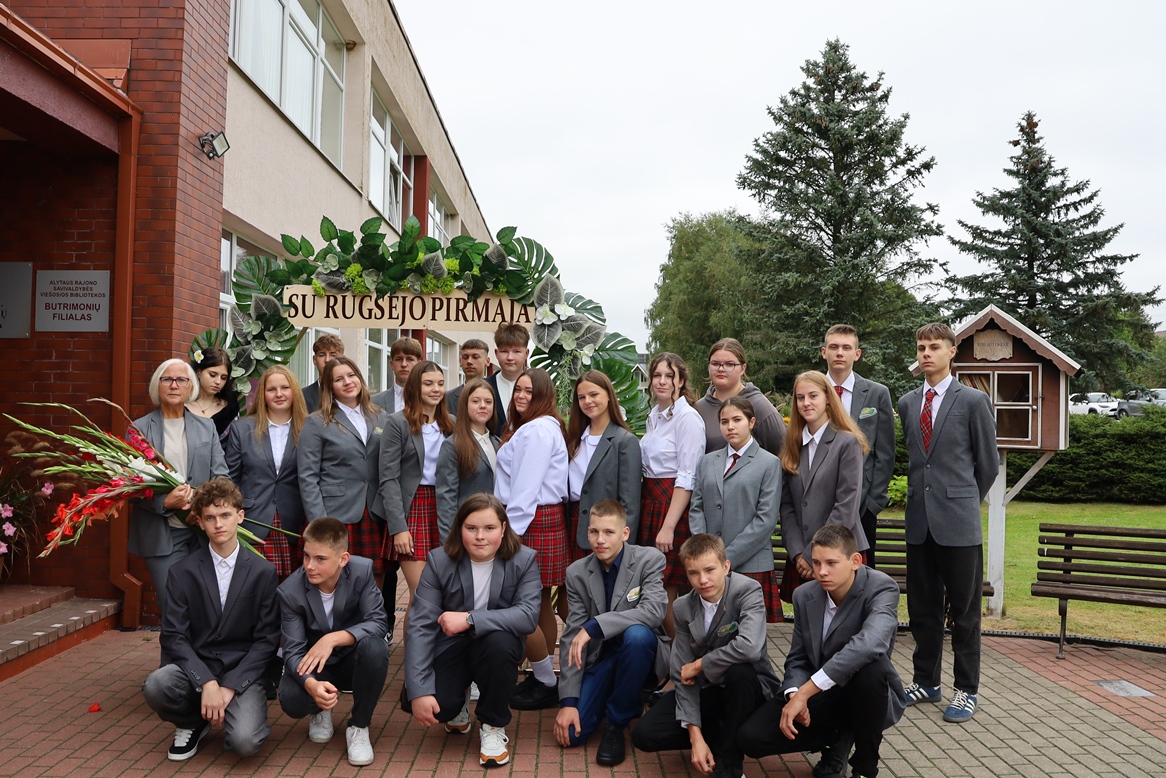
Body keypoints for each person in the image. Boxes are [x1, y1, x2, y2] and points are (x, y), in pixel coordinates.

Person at [738, 525, 907, 778]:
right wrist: (794, 694)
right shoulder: (804, 595)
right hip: (823, 695)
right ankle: (834, 739)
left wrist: (806, 690)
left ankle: (865, 767)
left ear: (855, 561)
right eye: (816, 563)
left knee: (871, 670)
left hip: (866, 694)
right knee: (751, 738)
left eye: (831, 563)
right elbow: (798, 658)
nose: (822, 571)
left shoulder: (881, 588)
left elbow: (870, 643)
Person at [897, 322, 999, 724]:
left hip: (958, 524)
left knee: (965, 613)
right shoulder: (908, 403)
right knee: (922, 610)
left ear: (952, 352)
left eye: (934, 347)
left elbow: (987, 465)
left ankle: (966, 689)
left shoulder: (973, 401)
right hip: (919, 524)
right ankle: (926, 681)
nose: (926, 353)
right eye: (921, 347)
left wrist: (961, 498)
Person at [141, 477, 280, 761]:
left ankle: (237, 712)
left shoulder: (263, 571)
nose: (219, 524)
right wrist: (206, 682)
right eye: (210, 518)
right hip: (199, 666)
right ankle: (193, 721)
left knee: (244, 743)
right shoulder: (182, 572)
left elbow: (267, 640)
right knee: (156, 685)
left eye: (225, 515)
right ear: (200, 522)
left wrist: (229, 686)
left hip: (242, 671)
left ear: (240, 516)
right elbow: (174, 636)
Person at [405, 493, 541, 768]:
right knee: (437, 706)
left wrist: (470, 618)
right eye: (471, 528)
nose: (480, 536)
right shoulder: (439, 561)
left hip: (495, 645)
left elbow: (528, 616)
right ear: (460, 529)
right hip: (452, 644)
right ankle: (460, 697)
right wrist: (418, 690)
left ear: (503, 528)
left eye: (489, 528)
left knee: (499, 643)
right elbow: (419, 625)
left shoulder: (524, 560)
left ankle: (492, 724)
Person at [630, 534, 778, 778]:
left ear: (726, 566)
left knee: (739, 672)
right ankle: (721, 733)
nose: (703, 580)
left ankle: (730, 764)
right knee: (645, 735)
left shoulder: (747, 590)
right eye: (694, 573)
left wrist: (700, 664)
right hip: (708, 689)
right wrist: (695, 734)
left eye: (710, 570)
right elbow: (681, 672)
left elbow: (750, 647)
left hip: (749, 690)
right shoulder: (682, 607)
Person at [555, 500, 668, 766]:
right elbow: (573, 637)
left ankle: (616, 724)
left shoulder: (649, 560)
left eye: (608, 532)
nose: (600, 540)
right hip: (601, 658)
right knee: (571, 734)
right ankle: (621, 693)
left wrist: (595, 626)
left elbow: (653, 611)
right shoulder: (577, 573)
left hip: (641, 653)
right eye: (594, 531)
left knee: (637, 636)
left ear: (625, 533)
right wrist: (568, 702)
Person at [278, 517, 390, 767]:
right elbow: (293, 651)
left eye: (320, 559)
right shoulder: (290, 592)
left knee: (376, 647)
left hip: (351, 660)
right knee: (291, 699)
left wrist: (333, 639)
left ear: (343, 559)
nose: (309, 566)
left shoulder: (361, 571)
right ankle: (319, 709)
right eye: (306, 556)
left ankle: (359, 726)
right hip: (316, 666)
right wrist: (310, 685)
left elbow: (379, 622)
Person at [130, 358, 228, 620]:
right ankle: (174, 649)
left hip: (202, 531)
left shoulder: (206, 427)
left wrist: (203, 506)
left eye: (181, 380)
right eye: (167, 379)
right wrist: (163, 503)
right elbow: (129, 486)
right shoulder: (140, 429)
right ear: (157, 385)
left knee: (205, 606)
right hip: (163, 534)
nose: (174, 385)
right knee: (173, 607)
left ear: (190, 387)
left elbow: (221, 476)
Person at [494, 367, 569, 711]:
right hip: (535, 519)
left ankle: (546, 681)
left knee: (522, 604)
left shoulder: (538, 430)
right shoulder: (535, 426)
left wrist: (509, 536)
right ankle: (543, 679)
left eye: (530, 392)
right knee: (537, 603)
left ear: (544, 397)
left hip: (529, 520)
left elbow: (525, 488)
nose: (522, 396)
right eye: (518, 390)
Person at [689, 396, 784, 623]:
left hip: (751, 563)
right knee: (714, 630)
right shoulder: (707, 461)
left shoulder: (769, 463)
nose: (730, 426)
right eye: (724, 422)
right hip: (710, 565)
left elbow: (766, 519)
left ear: (751, 422)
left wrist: (726, 557)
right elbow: (696, 507)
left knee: (750, 632)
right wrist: (707, 552)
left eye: (737, 420)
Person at [779, 371, 869, 604]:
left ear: (828, 398)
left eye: (813, 396)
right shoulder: (793, 445)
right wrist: (798, 553)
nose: (806, 403)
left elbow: (846, 505)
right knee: (807, 620)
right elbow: (787, 507)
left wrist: (814, 554)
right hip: (801, 557)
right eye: (800, 398)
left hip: (838, 552)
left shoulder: (846, 442)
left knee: (843, 618)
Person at [379, 360, 455, 636]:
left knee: (441, 591)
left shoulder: (451, 424)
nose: (436, 389)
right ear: (414, 387)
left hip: (445, 508)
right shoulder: (397, 423)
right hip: (413, 510)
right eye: (428, 383)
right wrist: (398, 527)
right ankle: (415, 662)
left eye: (440, 384)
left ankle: (433, 655)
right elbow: (388, 478)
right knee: (422, 593)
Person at [297, 357, 390, 579]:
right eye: (338, 379)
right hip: (336, 513)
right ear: (329, 387)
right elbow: (308, 477)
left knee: (374, 576)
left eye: (351, 375)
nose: (347, 382)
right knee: (335, 577)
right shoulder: (316, 422)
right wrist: (319, 523)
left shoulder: (380, 416)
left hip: (374, 512)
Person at [638, 352, 706, 637]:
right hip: (650, 502)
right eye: (657, 375)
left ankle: (681, 657)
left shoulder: (687, 418)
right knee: (654, 587)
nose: (662, 381)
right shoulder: (654, 415)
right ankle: (666, 655)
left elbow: (688, 477)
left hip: (672, 507)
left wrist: (667, 527)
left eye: (669, 376)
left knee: (667, 588)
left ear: (680, 381)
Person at [821, 324, 895, 569]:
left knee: (861, 571)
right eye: (834, 347)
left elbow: (885, 453)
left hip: (862, 505)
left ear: (857, 354)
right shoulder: (811, 391)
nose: (839, 353)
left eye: (846, 347)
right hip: (819, 500)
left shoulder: (877, 394)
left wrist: (873, 503)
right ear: (824, 352)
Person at [224, 365, 308, 580]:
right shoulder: (242, 429)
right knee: (256, 586)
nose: (279, 394)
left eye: (285, 388)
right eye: (271, 389)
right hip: (253, 521)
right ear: (262, 394)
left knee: (294, 588)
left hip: (296, 521)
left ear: (294, 391)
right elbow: (230, 480)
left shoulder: (309, 428)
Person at [565, 370, 642, 560]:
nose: (587, 401)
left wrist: (623, 549)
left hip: (607, 533)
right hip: (574, 526)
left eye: (594, 394)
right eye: (581, 397)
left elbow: (630, 504)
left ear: (608, 395)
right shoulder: (574, 439)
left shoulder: (624, 441)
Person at [695, 337, 786, 456]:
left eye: (729, 364)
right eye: (715, 364)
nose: (721, 369)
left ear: (743, 368)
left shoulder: (760, 407)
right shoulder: (698, 409)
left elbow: (783, 454)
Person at [436, 377, 500, 540]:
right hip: (467, 531)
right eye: (476, 401)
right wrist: (449, 542)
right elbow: (446, 499)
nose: (483, 406)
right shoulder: (453, 445)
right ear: (465, 405)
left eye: (488, 401)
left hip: (494, 531)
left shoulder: (498, 444)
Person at [486, 323, 530, 436]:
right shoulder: (484, 387)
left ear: (526, 353)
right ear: (496, 353)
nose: (510, 357)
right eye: (504, 351)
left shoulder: (537, 388)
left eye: (517, 351)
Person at [187, 347, 240, 440]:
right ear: (199, 372)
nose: (218, 381)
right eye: (213, 375)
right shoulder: (181, 404)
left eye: (223, 378)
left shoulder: (230, 409)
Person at [370, 336, 423, 414]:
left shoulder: (430, 399)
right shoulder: (374, 402)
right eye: (399, 359)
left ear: (419, 365)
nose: (404, 364)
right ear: (391, 364)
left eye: (410, 359)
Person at [301, 333, 344, 414]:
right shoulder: (302, 396)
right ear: (314, 360)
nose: (327, 360)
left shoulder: (351, 394)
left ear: (342, 359)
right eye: (322, 355)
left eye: (333, 355)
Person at [446, 338, 490, 414]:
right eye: (465, 357)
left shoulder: (498, 393)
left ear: (487, 361)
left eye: (475, 357)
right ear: (460, 361)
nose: (469, 361)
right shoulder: (447, 398)